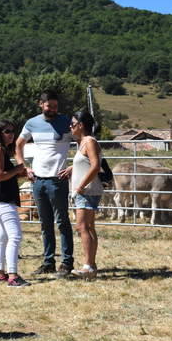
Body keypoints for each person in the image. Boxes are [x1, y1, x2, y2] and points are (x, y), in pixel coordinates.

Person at [15, 91, 74, 278]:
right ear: (41, 104)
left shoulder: (66, 122)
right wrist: (25, 168)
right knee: (45, 224)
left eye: (55, 106)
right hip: (38, 180)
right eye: (49, 106)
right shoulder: (32, 123)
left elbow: (84, 140)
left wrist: (74, 166)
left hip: (58, 180)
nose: (53, 109)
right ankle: (48, 261)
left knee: (62, 222)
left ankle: (67, 263)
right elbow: (18, 144)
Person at [0, 120, 29, 287]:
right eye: (6, 131)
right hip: (2, 199)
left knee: (2, 238)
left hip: (2, 199)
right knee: (15, 236)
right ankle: (13, 275)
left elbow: (5, 175)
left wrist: (19, 174)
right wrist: (18, 169)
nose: (11, 134)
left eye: (12, 131)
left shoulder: (0, 150)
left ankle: (0, 274)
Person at [69, 111, 103, 280]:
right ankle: (91, 265)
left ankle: (88, 266)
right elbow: (86, 163)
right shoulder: (82, 142)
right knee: (88, 227)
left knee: (82, 227)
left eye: (73, 124)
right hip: (86, 190)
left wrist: (80, 186)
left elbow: (95, 166)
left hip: (86, 191)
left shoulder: (89, 141)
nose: (70, 127)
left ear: (81, 125)